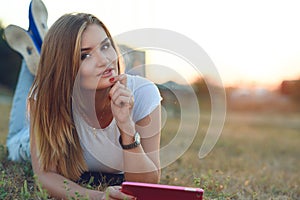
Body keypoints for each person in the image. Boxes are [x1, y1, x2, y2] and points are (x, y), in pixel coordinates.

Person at [12, 12, 162, 199]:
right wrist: (98, 197)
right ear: (65, 66)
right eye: (85, 55)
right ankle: (34, 61)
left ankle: (44, 51)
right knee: (15, 140)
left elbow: (147, 184)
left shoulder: (143, 93)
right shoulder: (45, 98)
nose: (105, 60)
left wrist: (126, 126)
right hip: (28, 141)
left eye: (105, 46)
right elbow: (45, 174)